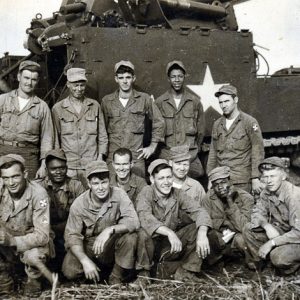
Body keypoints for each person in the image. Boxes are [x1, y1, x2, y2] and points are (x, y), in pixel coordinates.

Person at [62, 160, 140, 284]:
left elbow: (134, 221)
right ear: (88, 184)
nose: (101, 188)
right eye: (96, 183)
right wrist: (85, 261)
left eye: (104, 182)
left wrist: (109, 230)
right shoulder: (79, 204)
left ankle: (116, 276)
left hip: (111, 244)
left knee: (131, 237)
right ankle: (92, 278)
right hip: (89, 246)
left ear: (109, 181)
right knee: (69, 270)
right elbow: (73, 236)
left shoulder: (119, 194)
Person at [135, 159, 212, 282]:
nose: (166, 182)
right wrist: (169, 232)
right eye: (161, 178)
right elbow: (145, 217)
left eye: (169, 177)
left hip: (170, 246)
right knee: (143, 233)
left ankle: (187, 271)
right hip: (150, 248)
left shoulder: (177, 193)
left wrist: (202, 234)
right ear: (152, 180)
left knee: (197, 227)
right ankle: (144, 275)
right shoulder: (146, 192)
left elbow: (200, 211)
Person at [101, 60, 165, 178]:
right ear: (116, 79)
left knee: (138, 189)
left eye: (128, 77)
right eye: (121, 78)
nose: (125, 81)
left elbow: (159, 122)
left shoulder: (144, 99)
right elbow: (101, 130)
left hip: (136, 157)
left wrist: (152, 146)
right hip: (114, 158)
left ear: (134, 78)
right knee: (113, 190)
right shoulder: (107, 101)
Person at [0, 154, 52, 296]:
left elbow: (43, 236)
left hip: (29, 244)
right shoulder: (1, 189)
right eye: (6, 178)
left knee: (36, 253)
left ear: (25, 174)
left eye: (15, 176)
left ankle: (33, 280)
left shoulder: (39, 194)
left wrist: (12, 241)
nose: (11, 183)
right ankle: (5, 279)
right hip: (6, 244)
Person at [243, 157, 300, 275]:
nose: (268, 181)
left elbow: (298, 233)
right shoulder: (267, 191)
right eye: (265, 177)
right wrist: (266, 225)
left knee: (278, 257)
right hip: (286, 233)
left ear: (283, 176)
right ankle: (264, 269)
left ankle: (293, 271)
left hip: (297, 237)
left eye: (273, 176)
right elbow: (256, 213)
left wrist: (272, 243)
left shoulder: (293, 196)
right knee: (248, 229)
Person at [52, 67, 108, 187]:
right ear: (68, 84)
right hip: (69, 166)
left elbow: (102, 135)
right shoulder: (58, 108)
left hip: (91, 164)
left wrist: (100, 158)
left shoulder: (94, 106)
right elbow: (56, 139)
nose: (79, 89)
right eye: (75, 85)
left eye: (82, 85)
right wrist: (60, 163)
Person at [0, 60, 55, 179]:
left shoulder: (42, 107)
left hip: (29, 157)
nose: (29, 83)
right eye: (26, 78)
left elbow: (47, 138)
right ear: (19, 77)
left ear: (38, 81)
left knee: (29, 192)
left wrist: (43, 165)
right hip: (3, 152)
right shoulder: (3, 100)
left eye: (33, 79)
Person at [207, 84, 265, 194]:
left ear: (235, 100)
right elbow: (213, 153)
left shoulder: (249, 122)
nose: (223, 105)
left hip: (241, 180)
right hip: (221, 180)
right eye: (220, 102)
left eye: (227, 101)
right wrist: (211, 177)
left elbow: (257, 151)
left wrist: (255, 177)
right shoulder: (217, 124)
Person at [35, 149, 86, 269]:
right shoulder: (38, 187)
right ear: (47, 171)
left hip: (70, 232)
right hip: (46, 233)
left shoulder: (76, 186)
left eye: (62, 168)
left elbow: (84, 215)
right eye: (53, 169)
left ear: (67, 168)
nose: (58, 172)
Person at [155, 61, 205, 179]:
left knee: (197, 174)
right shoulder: (160, 102)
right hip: (167, 155)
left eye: (180, 76)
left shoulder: (195, 102)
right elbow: (155, 131)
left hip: (189, 156)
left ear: (184, 77)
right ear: (168, 79)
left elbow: (200, 131)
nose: (177, 80)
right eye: (173, 77)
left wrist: (193, 150)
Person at [202, 166, 254, 266]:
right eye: (216, 184)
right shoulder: (208, 198)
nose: (220, 187)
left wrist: (230, 201)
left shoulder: (246, 198)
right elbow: (205, 220)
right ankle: (218, 262)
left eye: (223, 182)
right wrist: (224, 223)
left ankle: (248, 264)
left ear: (230, 181)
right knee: (210, 235)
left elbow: (244, 226)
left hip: (238, 236)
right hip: (221, 236)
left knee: (241, 239)